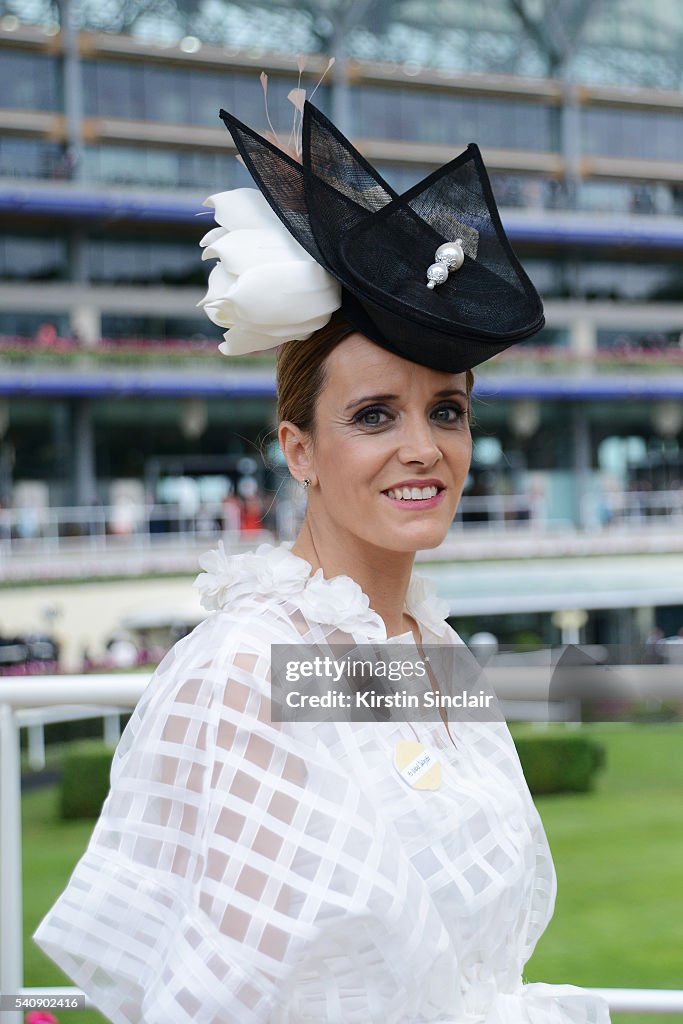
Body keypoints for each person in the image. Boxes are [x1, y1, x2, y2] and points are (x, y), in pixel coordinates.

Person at [33, 100, 610, 1024]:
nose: (423, 447)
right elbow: (209, 994)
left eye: (448, 411)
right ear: (297, 449)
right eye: (374, 415)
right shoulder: (245, 666)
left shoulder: (432, 649)